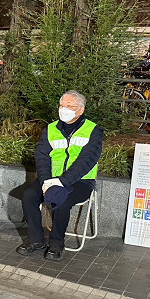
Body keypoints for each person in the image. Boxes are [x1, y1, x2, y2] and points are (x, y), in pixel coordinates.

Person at [16, 90, 103, 261]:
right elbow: (42, 157)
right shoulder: (51, 129)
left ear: (80, 110)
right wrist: (46, 180)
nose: (64, 109)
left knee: (62, 199)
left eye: (69, 106)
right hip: (50, 178)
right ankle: (36, 240)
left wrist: (62, 182)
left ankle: (56, 243)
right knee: (29, 195)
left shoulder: (93, 130)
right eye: (62, 105)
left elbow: (87, 161)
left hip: (80, 181)